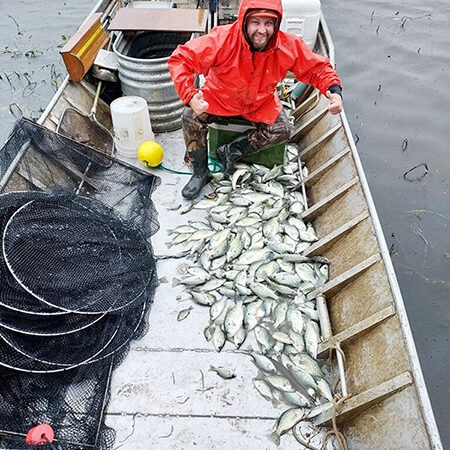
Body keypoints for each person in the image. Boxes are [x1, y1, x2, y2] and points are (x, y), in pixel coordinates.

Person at [168, 0, 343, 199]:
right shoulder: (222, 39)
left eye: (269, 23)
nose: (262, 30)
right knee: (190, 117)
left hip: (260, 102)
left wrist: (333, 90)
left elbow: (316, 68)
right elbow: (181, 59)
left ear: (277, 24)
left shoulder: (286, 45)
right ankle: (200, 172)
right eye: (256, 22)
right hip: (219, 98)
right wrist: (190, 95)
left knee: (283, 129)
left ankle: (231, 151)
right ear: (244, 21)